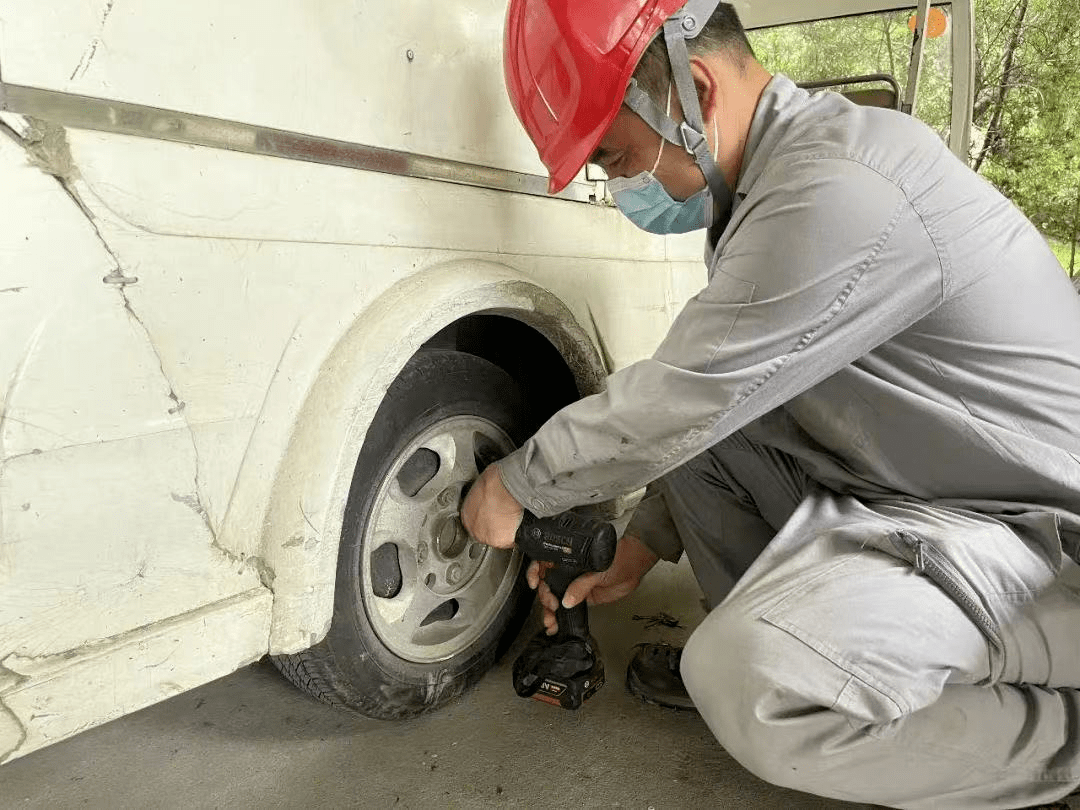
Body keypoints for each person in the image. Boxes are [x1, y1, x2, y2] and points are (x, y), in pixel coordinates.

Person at [461, 1, 1080, 807]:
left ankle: (1052, 745)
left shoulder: (843, 186)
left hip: (1043, 545)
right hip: (932, 503)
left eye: (614, 158)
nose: (620, 189)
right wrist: (638, 549)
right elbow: (721, 410)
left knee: (749, 684)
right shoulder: (769, 192)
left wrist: (517, 485)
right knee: (701, 439)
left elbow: (684, 396)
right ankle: (824, 658)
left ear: (698, 92)